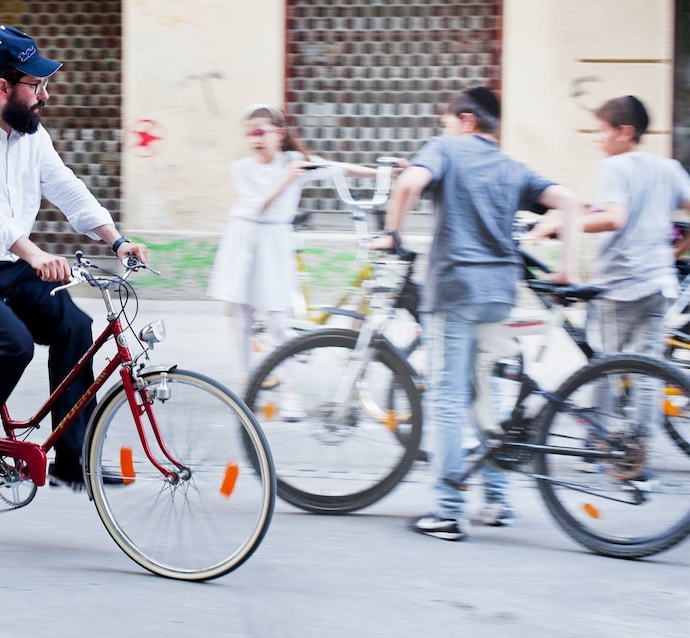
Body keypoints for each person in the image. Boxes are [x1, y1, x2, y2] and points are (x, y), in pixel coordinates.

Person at [0, 24, 148, 498]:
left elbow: (65, 186)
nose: (45, 94)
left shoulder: (29, 134)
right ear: (2, 88)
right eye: (35, 85)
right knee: (13, 344)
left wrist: (116, 240)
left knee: (75, 327)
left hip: (3, 264)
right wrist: (33, 253)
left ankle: (72, 461)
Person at [369, 86, 582, 541]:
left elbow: (408, 184)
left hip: (455, 290)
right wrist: (568, 267)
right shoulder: (511, 166)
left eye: (445, 122)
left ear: (466, 120)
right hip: (500, 292)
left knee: (447, 396)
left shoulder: (446, 148)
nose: (442, 131)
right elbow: (569, 202)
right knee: (488, 391)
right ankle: (497, 501)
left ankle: (447, 512)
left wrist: (391, 232)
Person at [206, 103, 385, 416]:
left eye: (261, 132)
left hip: (275, 243)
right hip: (244, 240)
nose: (255, 139)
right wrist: (287, 180)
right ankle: (247, 387)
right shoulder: (243, 169)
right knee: (242, 318)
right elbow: (258, 206)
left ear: (279, 133)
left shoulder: (294, 162)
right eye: (250, 133)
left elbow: (337, 169)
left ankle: (290, 391)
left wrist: (384, 173)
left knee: (278, 321)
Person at [534, 95, 690, 450]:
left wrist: (566, 224)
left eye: (602, 130)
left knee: (604, 365)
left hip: (620, 283)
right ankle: (638, 450)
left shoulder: (615, 167)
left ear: (625, 132)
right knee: (647, 369)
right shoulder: (668, 168)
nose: (597, 138)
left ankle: (602, 442)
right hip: (658, 282)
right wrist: (674, 251)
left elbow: (614, 218)